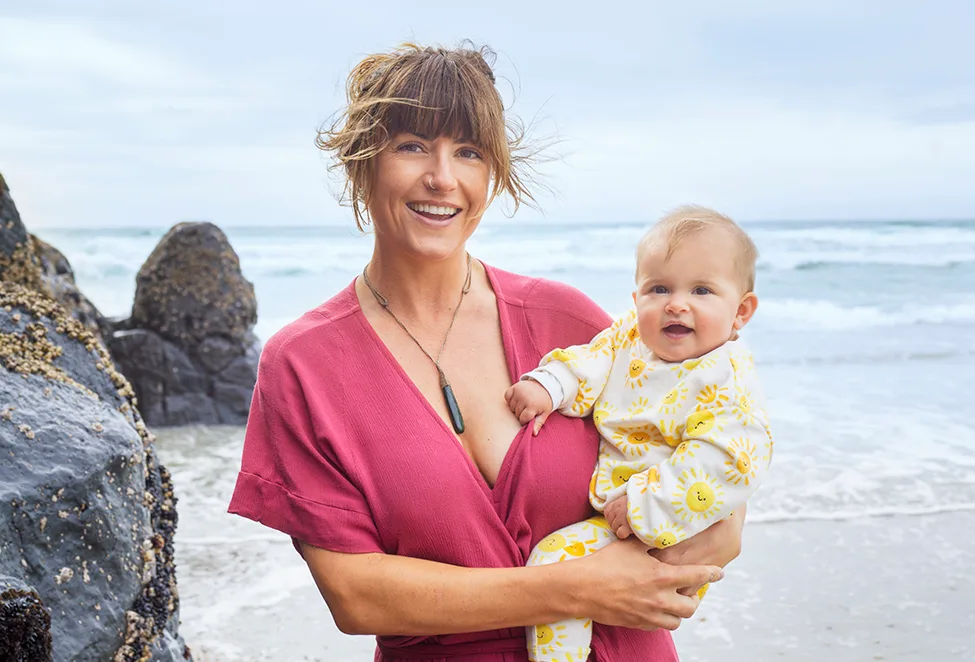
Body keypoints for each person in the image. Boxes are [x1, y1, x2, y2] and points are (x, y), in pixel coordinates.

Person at [228, 43, 746, 662]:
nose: (442, 177)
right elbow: (355, 596)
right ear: (362, 162)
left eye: (469, 152)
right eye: (412, 145)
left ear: (492, 173)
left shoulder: (571, 323)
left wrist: (688, 550)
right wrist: (575, 588)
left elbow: (720, 494)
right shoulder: (305, 364)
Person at [505, 206, 773, 661]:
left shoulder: (727, 377)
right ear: (636, 299)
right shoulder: (629, 338)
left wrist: (644, 504)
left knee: (555, 563)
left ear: (741, 311)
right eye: (659, 288)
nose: (676, 304)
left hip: (670, 525)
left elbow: (731, 458)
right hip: (619, 516)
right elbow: (588, 360)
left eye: (702, 290)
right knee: (569, 588)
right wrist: (549, 386)